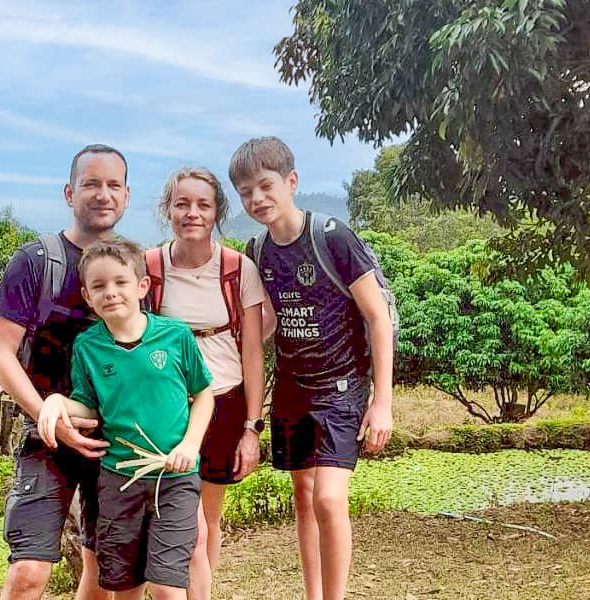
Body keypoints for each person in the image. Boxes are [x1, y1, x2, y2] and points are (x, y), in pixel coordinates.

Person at [228, 137, 394, 600]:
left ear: (291, 181)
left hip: (341, 386)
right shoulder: (256, 250)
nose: (257, 198)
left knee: (327, 498)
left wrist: (382, 402)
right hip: (292, 389)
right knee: (303, 496)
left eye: (265, 185)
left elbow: (378, 316)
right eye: (246, 192)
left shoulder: (332, 237)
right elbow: (262, 327)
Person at [0, 144, 129, 600]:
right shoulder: (35, 263)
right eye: (91, 184)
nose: (102, 194)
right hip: (45, 438)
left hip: (116, 438)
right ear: (70, 193)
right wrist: (48, 415)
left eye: (113, 185)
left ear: (126, 196)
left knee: (104, 569)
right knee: (29, 571)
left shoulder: (135, 269)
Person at [37, 238, 215, 600]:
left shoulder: (175, 336)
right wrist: (56, 402)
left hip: (174, 476)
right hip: (119, 480)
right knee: (124, 586)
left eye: (120, 282)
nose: (111, 293)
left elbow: (204, 394)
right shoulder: (88, 346)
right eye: (99, 286)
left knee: (168, 586)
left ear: (142, 286)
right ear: (87, 296)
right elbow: (88, 408)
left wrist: (190, 444)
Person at [146, 166, 269, 600]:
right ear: (168, 210)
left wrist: (252, 429)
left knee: (206, 520)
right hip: (167, 409)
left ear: (217, 212)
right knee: (176, 518)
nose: (192, 213)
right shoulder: (150, 267)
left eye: (203, 205)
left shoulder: (238, 269)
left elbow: (253, 351)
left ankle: (200, 591)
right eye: (182, 204)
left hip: (225, 401)